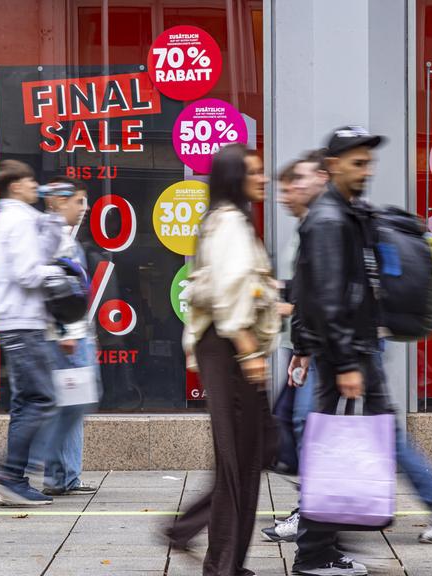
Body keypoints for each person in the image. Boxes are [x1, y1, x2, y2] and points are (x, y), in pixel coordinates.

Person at [290, 126, 432, 576]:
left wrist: (305, 344)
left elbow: (312, 287)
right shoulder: (330, 219)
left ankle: (326, 546)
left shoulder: (344, 213)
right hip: (348, 354)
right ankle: (316, 553)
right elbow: (327, 297)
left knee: (346, 444)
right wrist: (345, 361)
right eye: (356, 162)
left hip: (354, 349)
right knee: (335, 448)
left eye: (368, 162)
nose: (366, 170)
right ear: (332, 166)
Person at [173, 144, 281, 576]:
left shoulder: (223, 221)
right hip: (231, 347)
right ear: (236, 178)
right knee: (240, 460)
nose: (264, 179)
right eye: (254, 172)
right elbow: (231, 294)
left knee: (248, 455)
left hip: (227, 346)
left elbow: (235, 286)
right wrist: (250, 352)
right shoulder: (232, 223)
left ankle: (226, 560)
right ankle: (222, 565)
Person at [0, 160, 66, 506]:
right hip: (22, 320)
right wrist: (61, 279)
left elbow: (43, 252)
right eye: (31, 180)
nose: (36, 185)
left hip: (17, 319)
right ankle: (10, 472)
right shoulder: (18, 219)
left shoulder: (19, 218)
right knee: (42, 398)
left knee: (25, 400)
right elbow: (29, 273)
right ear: (16, 186)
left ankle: (12, 477)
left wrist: (54, 216)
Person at [262, 150, 329, 543]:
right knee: (294, 424)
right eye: (285, 186)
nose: (288, 192)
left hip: (316, 346)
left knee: (307, 425)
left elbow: (323, 294)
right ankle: (316, 511)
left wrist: (288, 307)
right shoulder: (311, 225)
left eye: (296, 182)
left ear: (322, 177)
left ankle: (315, 515)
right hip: (304, 343)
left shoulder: (325, 224)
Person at [33, 177, 99, 497]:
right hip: (66, 336)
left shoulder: (57, 236)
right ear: (59, 202)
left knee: (72, 403)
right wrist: (68, 333)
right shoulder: (53, 238)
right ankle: (44, 469)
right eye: (78, 201)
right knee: (71, 404)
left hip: (69, 333)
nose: (83, 209)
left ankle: (64, 476)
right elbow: (59, 292)